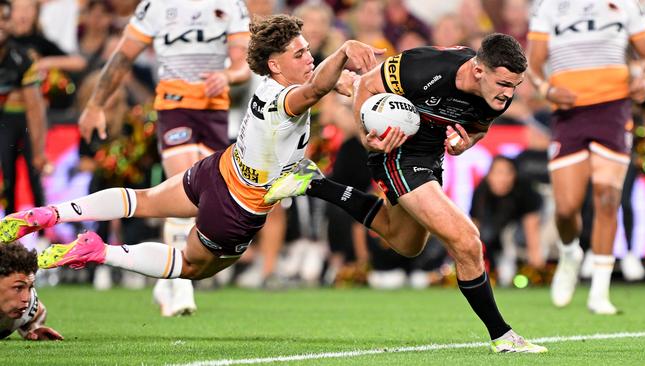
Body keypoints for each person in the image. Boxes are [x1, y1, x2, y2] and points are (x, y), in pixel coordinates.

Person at [0, 14, 380, 312]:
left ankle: (50, 213)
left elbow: (324, 83)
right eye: (299, 54)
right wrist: (344, 49)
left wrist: (347, 81)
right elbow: (314, 88)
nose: (309, 57)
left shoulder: (268, 84)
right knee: (191, 267)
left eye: (308, 50)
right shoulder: (291, 97)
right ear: (275, 65)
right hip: (237, 206)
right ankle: (99, 252)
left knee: (143, 199)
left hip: (218, 169)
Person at [264, 33, 547, 353]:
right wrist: (364, 134)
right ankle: (502, 336)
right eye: (504, 84)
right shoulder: (425, 68)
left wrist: (468, 141)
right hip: (394, 152)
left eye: (515, 86)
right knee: (467, 240)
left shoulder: (495, 93)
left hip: (429, 156)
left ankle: (315, 183)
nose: (509, 94)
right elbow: (369, 85)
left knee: (405, 242)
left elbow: (480, 127)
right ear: (479, 70)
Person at [75, 0, 253, 316]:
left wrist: (227, 75)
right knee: (183, 185)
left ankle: (166, 280)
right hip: (174, 106)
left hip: (214, 111)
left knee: (205, 200)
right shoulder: (156, 6)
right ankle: (182, 286)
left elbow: (243, 62)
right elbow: (122, 57)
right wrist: (95, 105)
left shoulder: (230, 5)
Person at [527, 0, 645, 314]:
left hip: (614, 108)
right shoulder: (550, 6)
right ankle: (571, 253)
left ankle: (599, 291)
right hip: (569, 113)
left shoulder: (625, 4)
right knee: (566, 208)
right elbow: (535, 63)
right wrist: (547, 90)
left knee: (607, 197)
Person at [0, 0, 49, 215]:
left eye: (4, 18)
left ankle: (41, 233)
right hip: (5, 120)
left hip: (17, 121)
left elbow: (35, 108)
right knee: (7, 177)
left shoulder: (21, 58)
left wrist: (39, 151)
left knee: (33, 174)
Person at [470, 155, 543, 286]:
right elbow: (474, 223)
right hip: (499, 228)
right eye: (498, 173)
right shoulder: (482, 190)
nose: (502, 179)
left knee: (515, 235)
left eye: (507, 173)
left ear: (514, 175)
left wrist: (535, 257)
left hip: (538, 220)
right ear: (489, 175)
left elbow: (532, 223)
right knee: (486, 234)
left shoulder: (524, 188)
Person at [0, 242, 63, 341]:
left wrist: (34, 327)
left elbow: (40, 311)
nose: (26, 298)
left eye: (30, 288)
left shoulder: (29, 305)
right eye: (18, 288)